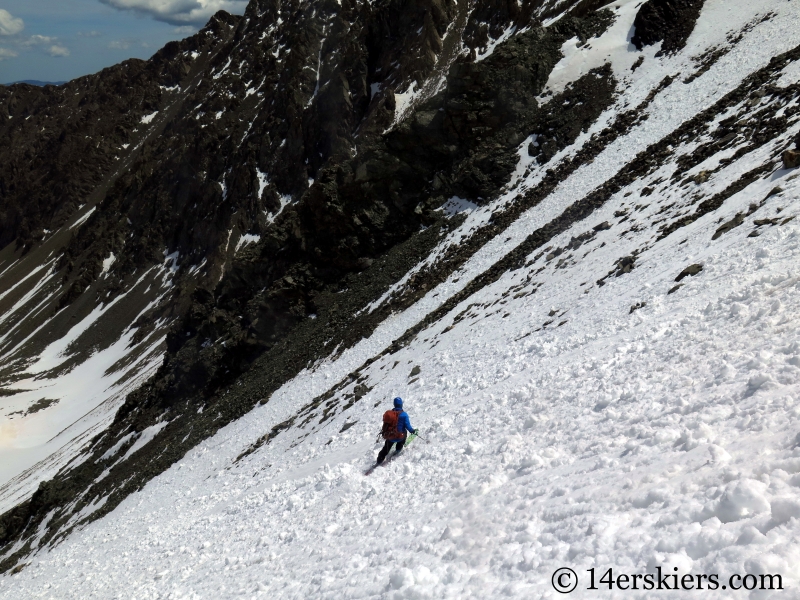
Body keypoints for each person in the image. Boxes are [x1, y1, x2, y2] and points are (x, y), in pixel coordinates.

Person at [377, 397, 416, 464]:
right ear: (401, 404)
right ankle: (398, 448)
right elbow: (408, 426)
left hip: (390, 437)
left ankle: (379, 460)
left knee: (385, 448)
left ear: (394, 404)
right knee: (404, 432)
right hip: (399, 437)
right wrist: (413, 431)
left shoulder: (390, 414)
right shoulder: (404, 415)